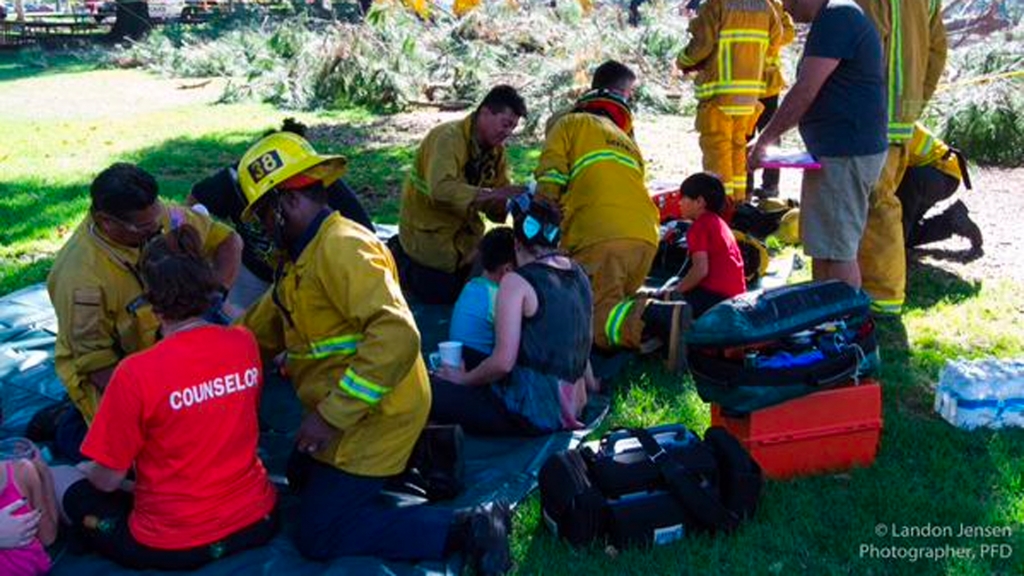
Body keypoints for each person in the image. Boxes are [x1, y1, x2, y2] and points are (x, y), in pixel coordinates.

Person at [235, 132, 511, 574]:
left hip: (377, 413)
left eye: (263, 215)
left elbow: (397, 337)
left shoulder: (342, 247)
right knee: (303, 477)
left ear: (284, 203)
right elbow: (258, 329)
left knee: (318, 533)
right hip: (353, 407)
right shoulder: (301, 259)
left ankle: (468, 526)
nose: (263, 229)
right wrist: (197, 349)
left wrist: (329, 418)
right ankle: (421, 462)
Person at [54, 225, 277, 571]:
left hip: (173, 543)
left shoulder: (135, 373)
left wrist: (84, 469)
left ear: (151, 303)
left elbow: (106, 480)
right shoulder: (244, 343)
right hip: (257, 519)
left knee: (60, 477)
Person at [46, 163, 242, 460]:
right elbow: (97, 364)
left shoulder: (159, 217)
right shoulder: (80, 280)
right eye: (144, 228)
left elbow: (229, 241)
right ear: (105, 221)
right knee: (135, 456)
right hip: (116, 374)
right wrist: (163, 402)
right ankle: (67, 425)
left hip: (166, 356)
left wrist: (213, 302)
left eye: (157, 217)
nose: (157, 229)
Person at [537, 86, 690, 370]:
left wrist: (540, 213)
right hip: (645, 234)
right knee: (615, 296)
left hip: (600, 234)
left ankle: (659, 317)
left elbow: (551, 173)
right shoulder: (627, 143)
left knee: (590, 315)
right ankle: (660, 302)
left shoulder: (569, 123)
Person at [749, 0, 887, 289]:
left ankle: (846, 328)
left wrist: (764, 140)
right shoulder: (833, 17)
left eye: (787, 1)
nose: (785, 8)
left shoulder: (837, 16)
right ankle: (825, 322)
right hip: (833, 152)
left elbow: (806, 89)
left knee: (837, 253)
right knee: (824, 247)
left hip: (845, 153)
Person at [432, 195, 595, 435]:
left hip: (530, 412)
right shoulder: (578, 272)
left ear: (517, 244)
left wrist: (462, 380)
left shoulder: (516, 282)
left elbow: (502, 363)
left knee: (428, 389)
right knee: (467, 356)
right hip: (573, 405)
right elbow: (582, 342)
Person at [188, 117, 374, 313]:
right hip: (260, 273)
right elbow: (260, 326)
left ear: (292, 200)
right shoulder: (291, 272)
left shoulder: (352, 253)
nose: (262, 225)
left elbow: (389, 332)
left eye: (261, 213)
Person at [393, 85, 527, 305]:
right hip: (429, 238)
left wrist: (519, 202)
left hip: (466, 242)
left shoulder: (496, 152)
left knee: (503, 262)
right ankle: (400, 258)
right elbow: (440, 189)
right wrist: (491, 193)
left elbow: (497, 209)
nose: (507, 132)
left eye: (512, 127)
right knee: (444, 293)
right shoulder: (447, 138)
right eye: (505, 124)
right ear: (484, 113)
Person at [854, 0, 947, 315]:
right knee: (877, 204)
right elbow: (937, 52)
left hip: (870, 119)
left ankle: (882, 297)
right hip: (899, 117)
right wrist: (913, 105)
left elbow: (857, 43)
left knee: (876, 206)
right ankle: (863, 288)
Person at [677, 0, 781, 203]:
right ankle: (739, 203)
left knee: (718, 152)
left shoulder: (716, 5)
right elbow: (774, 45)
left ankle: (722, 208)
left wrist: (682, 60)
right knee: (737, 148)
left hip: (720, 96)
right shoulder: (766, 7)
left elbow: (701, 47)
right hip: (749, 97)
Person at [898, 123, 982, 256]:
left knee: (893, 233)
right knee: (900, 234)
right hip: (934, 174)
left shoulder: (883, 121)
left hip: (939, 174)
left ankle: (896, 252)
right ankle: (951, 221)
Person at [669, 173, 747, 317]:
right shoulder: (719, 222)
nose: (679, 203)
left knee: (661, 305)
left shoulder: (699, 227)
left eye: (683, 198)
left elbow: (700, 271)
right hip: (737, 297)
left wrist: (674, 292)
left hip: (717, 299)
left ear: (699, 202)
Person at [747, 0, 796, 199]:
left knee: (768, 135)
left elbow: (789, 33)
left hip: (760, 84)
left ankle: (768, 186)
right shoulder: (771, 5)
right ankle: (748, 186)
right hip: (755, 83)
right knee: (746, 136)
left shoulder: (774, 5)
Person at [449, 227, 517, 369]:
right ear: (507, 270)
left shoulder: (471, 285)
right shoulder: (499, 297)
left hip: (458, 359)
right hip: (477, 368)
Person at [0, 440, 57, 576]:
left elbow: (48, 537)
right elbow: (48, 537)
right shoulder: (22, 472)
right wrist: (44, 475)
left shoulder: (22, 472)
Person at [545, 59, 638, 136]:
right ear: (618, 92)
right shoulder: (621, 122)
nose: (630, 96)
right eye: (629, 91)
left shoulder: (559, 118)